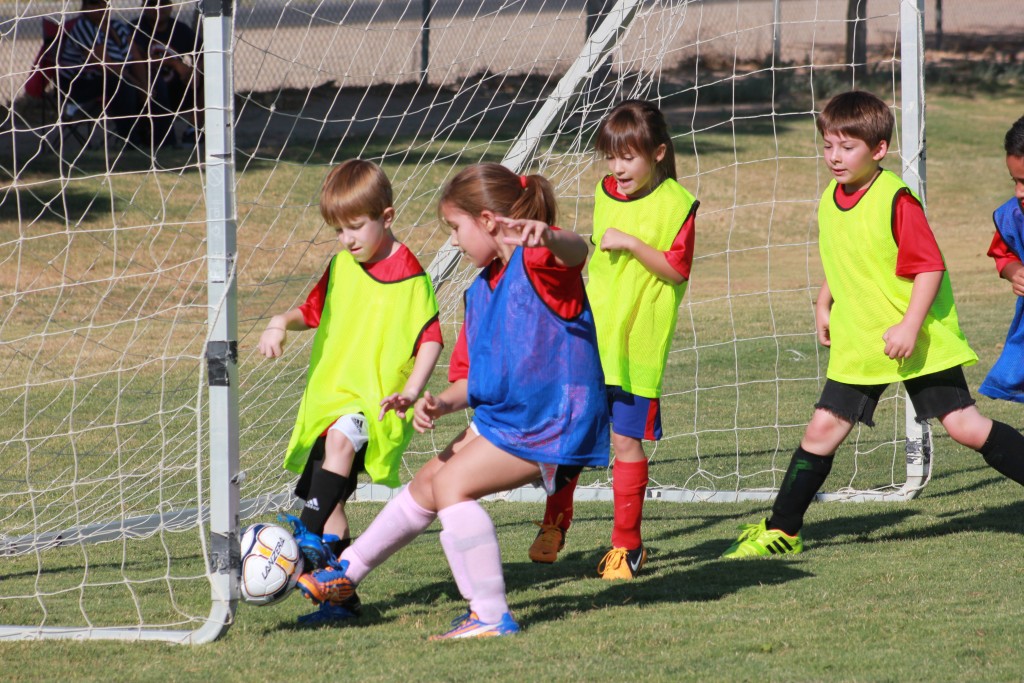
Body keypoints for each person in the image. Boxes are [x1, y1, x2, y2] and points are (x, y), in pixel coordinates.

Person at [294, 163, 610, 638]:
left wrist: (548, 237)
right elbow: (471, 379)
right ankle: (344, 575)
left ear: (487, 221)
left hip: (552, 421)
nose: (455, 242)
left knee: (452, 487)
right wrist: (439, 401)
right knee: (428, 483)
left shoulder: (538, 261)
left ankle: (489, 613)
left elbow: (576, 253)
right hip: (509, 418)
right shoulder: (480, 291)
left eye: (456, 228)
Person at [721, 90, 1024, 558]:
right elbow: (848, 260)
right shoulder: (831, 198)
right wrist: (825, 301)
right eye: (827, 146)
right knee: (820, 431)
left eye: (847, 147)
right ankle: (782, 530)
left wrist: (907, 326)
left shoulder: (897, 200)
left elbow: (930, 268)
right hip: (863, 341)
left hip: (915, 339)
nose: (835, 157)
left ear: (879, 149)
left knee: (965, 426)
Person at [257, 159, 443, 624]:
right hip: (329, 398)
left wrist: (413, 390)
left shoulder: (410, 275)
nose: (348, 239)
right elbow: (312, 311)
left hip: (373, 405)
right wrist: (281, 321)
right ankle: (339, 600)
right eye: (339, 230)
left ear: (388, 216)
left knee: (343, 441)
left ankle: (305, 530)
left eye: (356, 226)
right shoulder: (341, 266)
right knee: (336, 507)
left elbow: (431, 337)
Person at [527, 100, 698, 580]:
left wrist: (634, 245)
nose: (618, 168)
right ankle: (554, 523)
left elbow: (676, 271)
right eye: (611, 156)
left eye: (629, 157)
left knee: (625, 441)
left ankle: (627, 547)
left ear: (658, 153)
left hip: (637, 346)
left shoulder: (678, 205)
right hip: (590, 338)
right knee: (568, 436)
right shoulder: (605, 191)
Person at [978, 114, 1024, 403]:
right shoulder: (1013, 216)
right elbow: (1002, 252)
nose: (1020, 191)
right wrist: (1014, 270)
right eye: (1015, 181)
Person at [56, 0, 147, 143]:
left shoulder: (118, 26)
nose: (99, 8)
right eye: (94, 3)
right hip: (79, 84)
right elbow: (107, 65)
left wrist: (145, 85)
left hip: (110, 79)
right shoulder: (84, 27)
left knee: (156, 82)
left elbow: (135, 58)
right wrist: (139, 87)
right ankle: (130, 142)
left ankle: (162, 139)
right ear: (85, 8)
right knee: (122, 84)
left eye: (102, 3)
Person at [132, 0, 203, 149]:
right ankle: (154, 136)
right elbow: (139, 59)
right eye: (153, 3)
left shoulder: (180, 30)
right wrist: (174, 63)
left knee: (207, 78)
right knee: (157, 84)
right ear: (144, 7)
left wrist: (195, 71)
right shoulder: (135, 28)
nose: (159, 8)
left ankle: (194, 130)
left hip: (178, 88)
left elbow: (203, 55)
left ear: (170, 6)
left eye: (163, 2)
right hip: (147, 90)